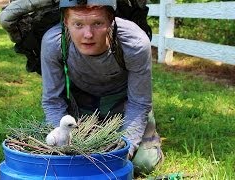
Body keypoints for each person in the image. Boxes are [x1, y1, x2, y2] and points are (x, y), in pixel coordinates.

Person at [41, 0, 163, 175]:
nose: (88, 34)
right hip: (82, 105)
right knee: (73, 159)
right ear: (65, 23)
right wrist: (61, 143)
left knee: (141, 164)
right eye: (78, 24)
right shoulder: (53, 42)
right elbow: (53, 101)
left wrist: (124, 150)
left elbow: (139, 103)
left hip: (126, 103)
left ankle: (149, 137)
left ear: (111, 21)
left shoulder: (134, 42)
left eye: (97, 23)